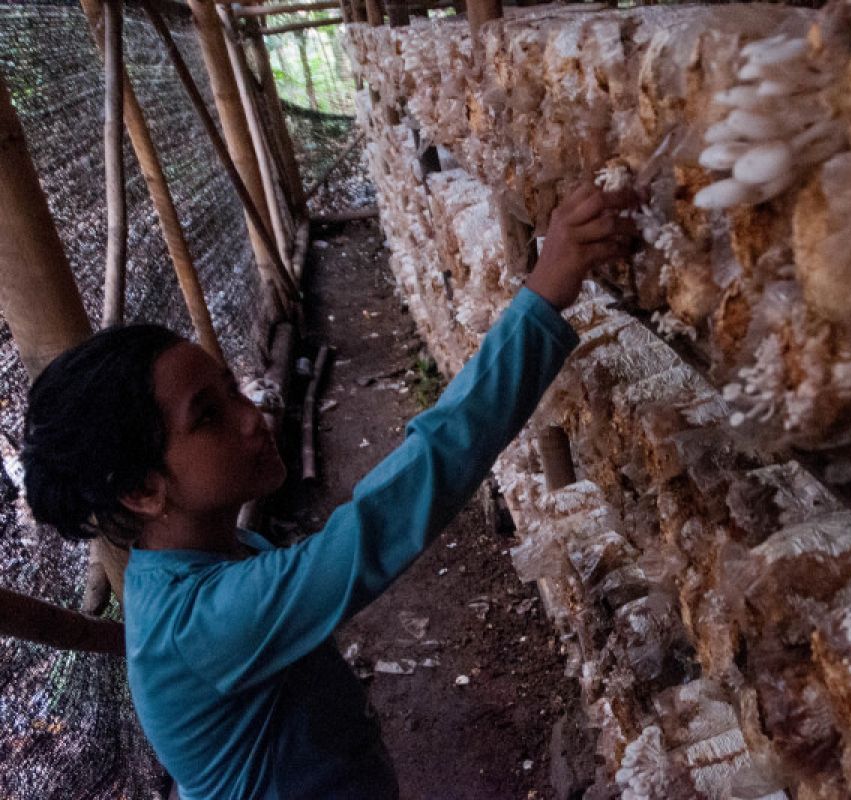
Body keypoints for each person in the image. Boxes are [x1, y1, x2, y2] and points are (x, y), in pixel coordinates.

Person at [20, 182, 639, 799]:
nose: (250, 417)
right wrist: (542, 296)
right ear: (141, 491)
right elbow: (396, 508)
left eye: (232, 389)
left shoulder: (204, 557)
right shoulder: (203, 624)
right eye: (206, 415)